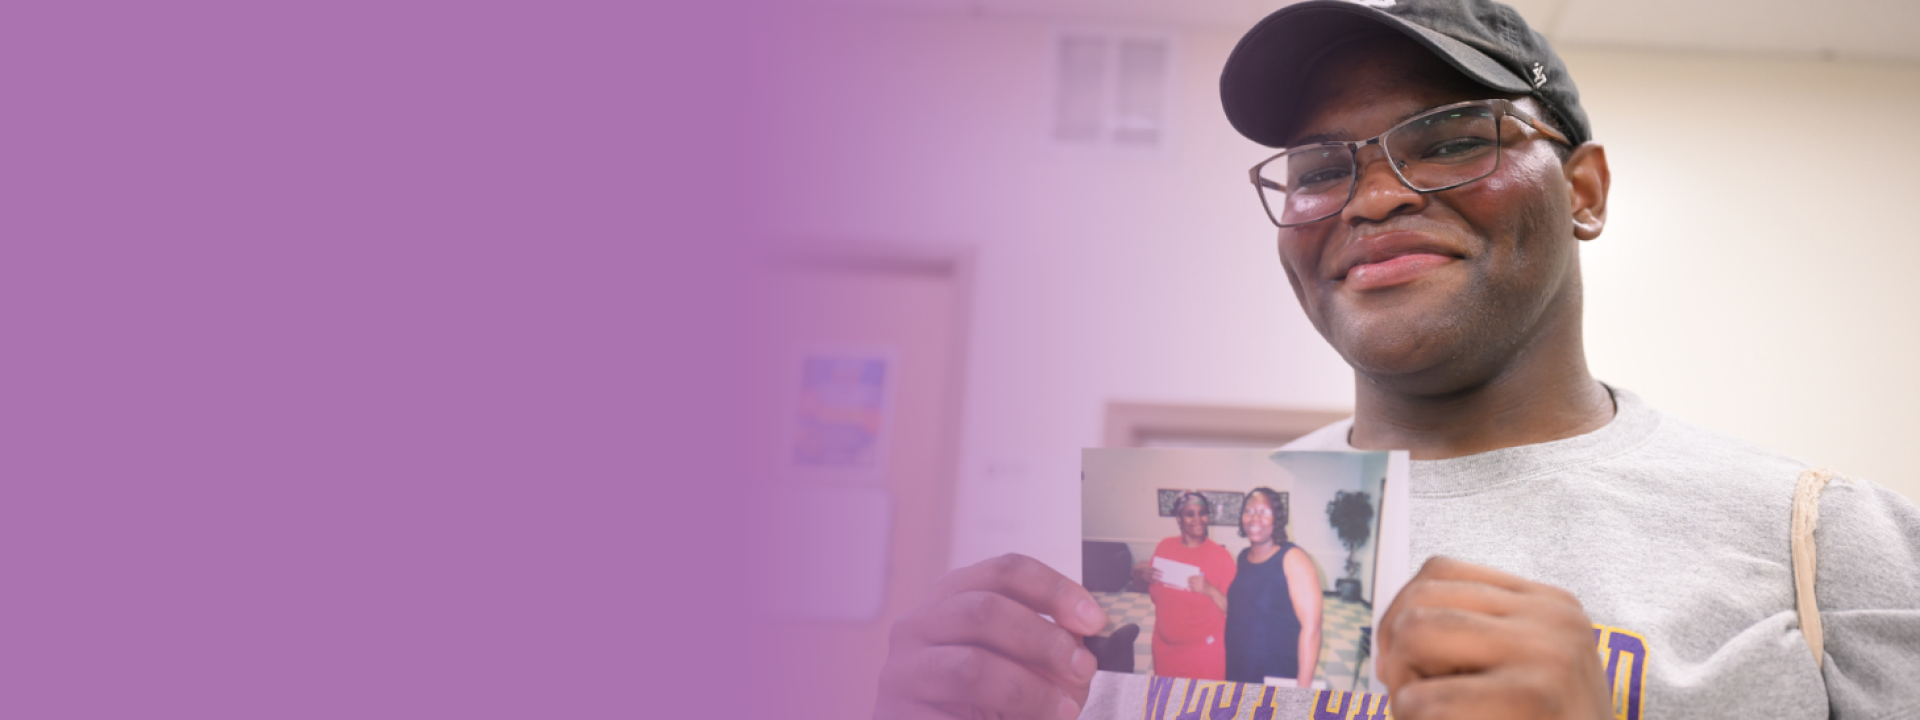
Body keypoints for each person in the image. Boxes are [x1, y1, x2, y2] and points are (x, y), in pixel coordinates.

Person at [870, 1, 1920, 718]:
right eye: (1322, 166)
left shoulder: (1829, 546)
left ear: (1586, 191)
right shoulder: (1156, 565)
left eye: (1455, 135)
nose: (1373, 198)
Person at [1222, 488, 1321, 687]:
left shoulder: (1293, 558)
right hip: (1239, 669)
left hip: (1276, 675)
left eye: (1265, 512)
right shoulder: (1243, 557)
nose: (1255, 518)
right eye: (1249, 511)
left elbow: (1312, 629)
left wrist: (1300, 694)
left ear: (1277, 518)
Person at [1132, 491, 1235, 680]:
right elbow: (1158, 597)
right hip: (1165, 650)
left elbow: (1234, 609)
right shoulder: (1165, 547)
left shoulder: (1222, 557)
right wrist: (1149, 577)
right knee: (1170, 705)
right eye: (1190, 514)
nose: (1198, 519)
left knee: (1203, 706)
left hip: (1205, 652)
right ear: (1179, 518)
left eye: (1202, 512)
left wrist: (1210, 590)